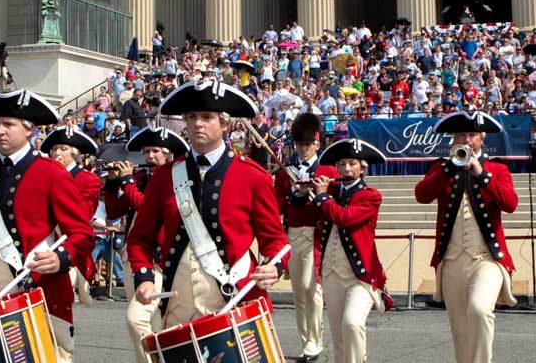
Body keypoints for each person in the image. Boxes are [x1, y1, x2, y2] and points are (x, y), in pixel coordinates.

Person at [127, 79, 289, 328]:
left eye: (206, 116)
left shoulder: (254, 176)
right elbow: (140, 238)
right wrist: (144, 276)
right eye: (191, 117)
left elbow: (275, 241)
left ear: (225, 124)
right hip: (177, 306)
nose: (197, 123)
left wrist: (275, 267)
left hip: (234, 301)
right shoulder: (164, 176)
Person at [0, 88, 94, 363]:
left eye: (8, 124)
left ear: (29, 130)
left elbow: (82, 233)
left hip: (39, 294)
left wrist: (60, 257)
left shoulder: (51, 173)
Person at [414, 111, 518, 363]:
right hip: (451, 259)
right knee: (459, 328)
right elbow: (422, 195)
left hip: (487, 258)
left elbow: (510, 203)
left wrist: (481, 173)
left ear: (481, 139)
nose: (467, 140)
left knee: (480, 309)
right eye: (461, 135)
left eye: (472, 135)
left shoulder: (497, 169)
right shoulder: (440, 168)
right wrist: (448, 168)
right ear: (453, 140)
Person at [302, 138, 391, 363]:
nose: (346, 168)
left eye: (352, 163)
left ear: (362, 168)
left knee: (352, 323)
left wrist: (321, 196)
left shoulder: (370, 195)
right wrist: (302, 193)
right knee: (338, 333)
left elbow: (345, 218)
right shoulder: (331, 192)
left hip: (359, 275)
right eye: (342, 164)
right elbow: (304, 215)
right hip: (331, 272)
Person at [104, 126, 188, 363]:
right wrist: (112, 185)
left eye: (155, 152)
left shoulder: (173, 179)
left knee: (137, 317)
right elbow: (114, 211)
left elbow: (145, 206)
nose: (150, 157)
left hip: (160, 257)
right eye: (147, 152)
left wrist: (128, 182)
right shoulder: (141, 178)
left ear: (167, 155)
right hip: (134, 254)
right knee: (149, 321)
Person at [272, 113, 338, 363]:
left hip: (315, 234)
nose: (303, 148)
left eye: (307, 144)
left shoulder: (327, 171)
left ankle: (315, 341)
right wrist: (291, 195)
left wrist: (319, 192)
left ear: (317, 144)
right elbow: (275, 205)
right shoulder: (285, 173)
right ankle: (305, 341)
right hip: (292, 235)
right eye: (299, 144)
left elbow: (334, 203)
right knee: (299, 291)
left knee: (313, 289)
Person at [40, 126, 103, 307]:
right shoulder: (44, 177)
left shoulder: (88, 179)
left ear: (75, 154)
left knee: (58, 306)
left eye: (63, 148)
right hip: (45, 246)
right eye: (54, 149)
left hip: (70, 248)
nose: (57, 153)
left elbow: (84, 214)